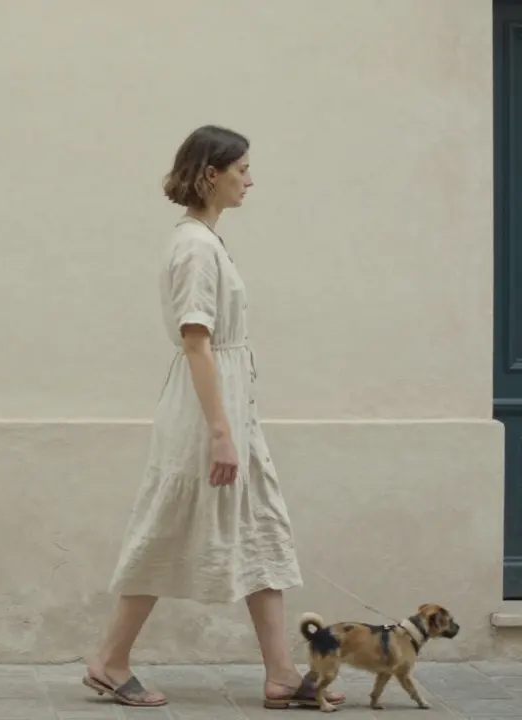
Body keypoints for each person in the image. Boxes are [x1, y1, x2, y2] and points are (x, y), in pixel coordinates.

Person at [82, 126, 345, 709]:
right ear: (210, 174)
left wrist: (235, 424)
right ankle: (109, 659)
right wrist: (221, 432)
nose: (250, 179)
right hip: (207, 415)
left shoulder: (206, 241)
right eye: (241, 169)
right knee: (167, 527)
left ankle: (279, 673)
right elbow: (197, 341)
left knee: (261, 528)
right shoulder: (195, 247)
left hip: (228, 408)